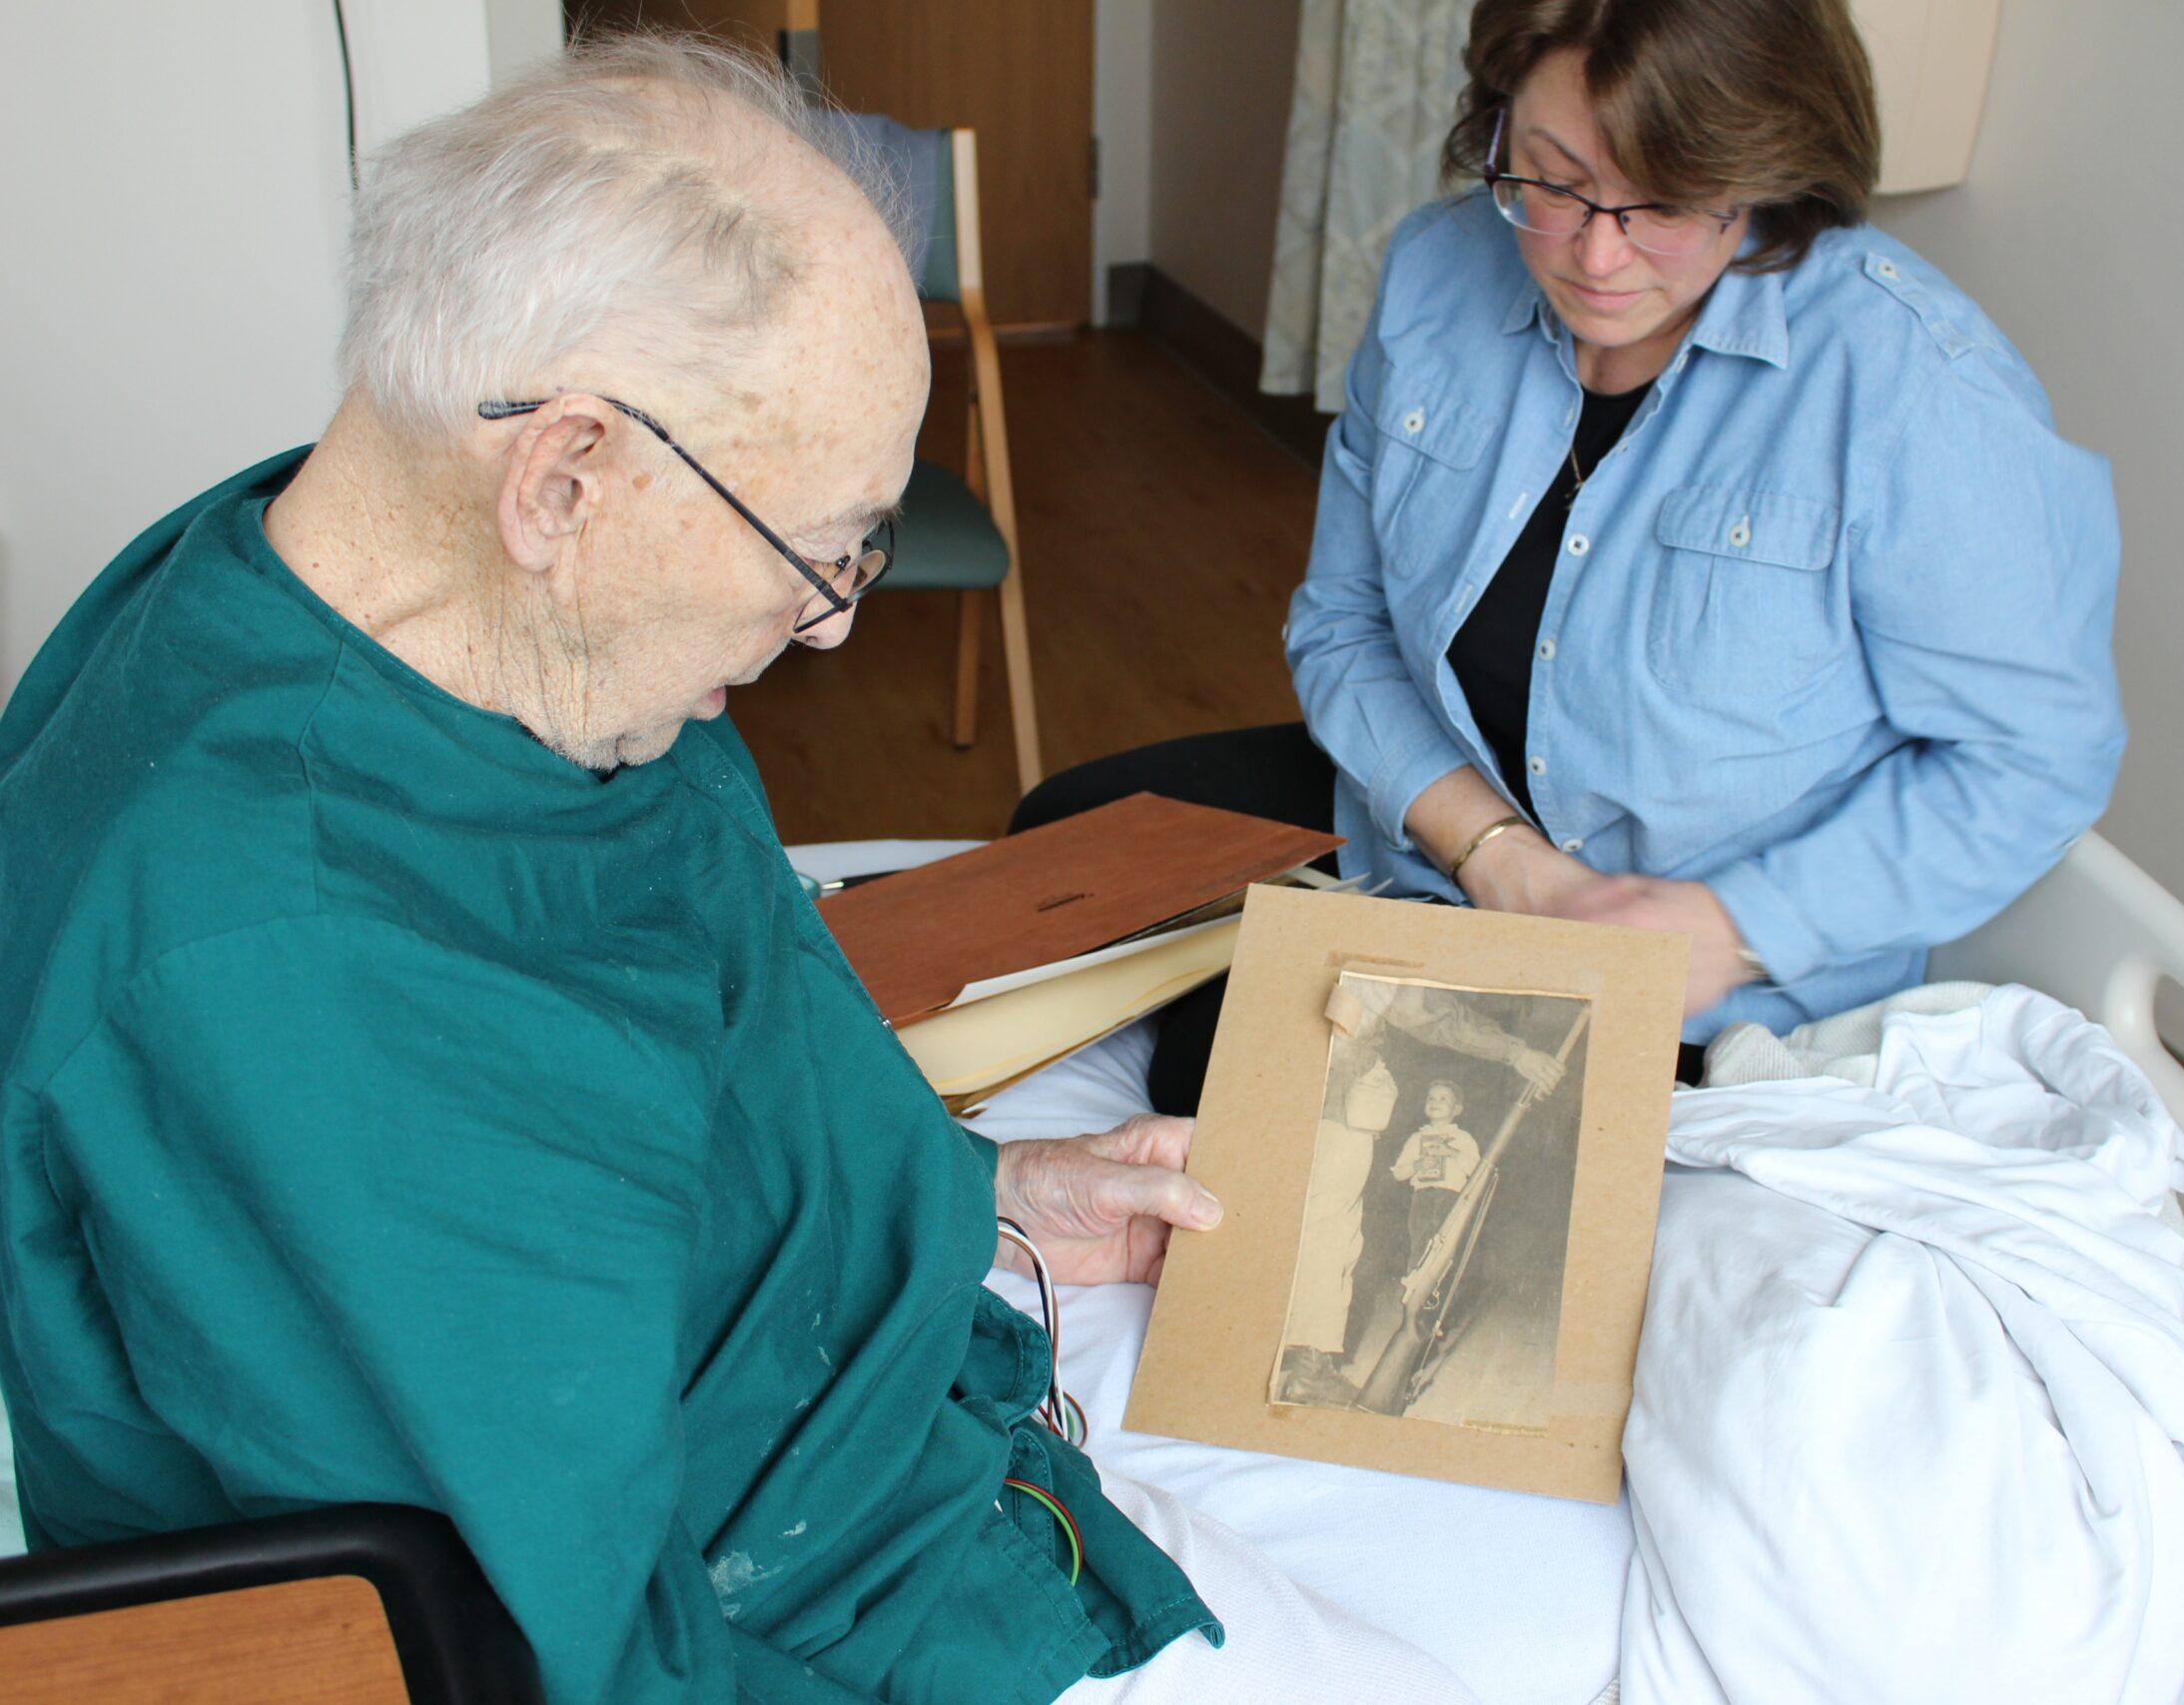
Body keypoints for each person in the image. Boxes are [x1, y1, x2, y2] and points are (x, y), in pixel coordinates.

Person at [0, 38, 1483, 1705]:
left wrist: (981, 1199)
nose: (837, 619)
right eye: (817, 548)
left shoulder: (409, 586)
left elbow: (740, 1019)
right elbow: (573, 1648)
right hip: (792, 1600)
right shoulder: (301, 982)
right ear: (563, 474)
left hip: (880, 1403)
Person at [1015, 0, 2125, 1118]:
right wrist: (1492, 853)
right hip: (1455, 835)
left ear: (1770, 171)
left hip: (1688, 963)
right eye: (1551, 182)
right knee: (1054, 848)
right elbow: (1341, 625)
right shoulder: (1438, 274)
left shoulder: (1915, 392)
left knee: (1231, 1092)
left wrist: (1731, 928)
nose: (1595, 255)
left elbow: (2036, 762)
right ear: (1497, 130)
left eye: (1670, 202)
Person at [1274, 982, 1556, 1407]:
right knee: (1331, 1227)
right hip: (1336, 1094)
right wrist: (1517, 1052)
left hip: (1275, 1083)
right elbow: (1428, 1010)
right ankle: (1306, 1371)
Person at [1392, 1082, 1483, 1267]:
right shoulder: (1416, 1138)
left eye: (1443, 1098)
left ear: (1456, 1109)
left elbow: (1477, 1172)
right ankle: (1413, 1289)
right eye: (1431, 1098)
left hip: (1452, 1199)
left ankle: (1439, 1290)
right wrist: (1417, 1165)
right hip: (1422, 1199)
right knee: (1420, 1245)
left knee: (1447, 1248)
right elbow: (1398, 1173)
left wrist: (1451, 1152)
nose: (1435, 1102)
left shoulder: (1463, 1138)